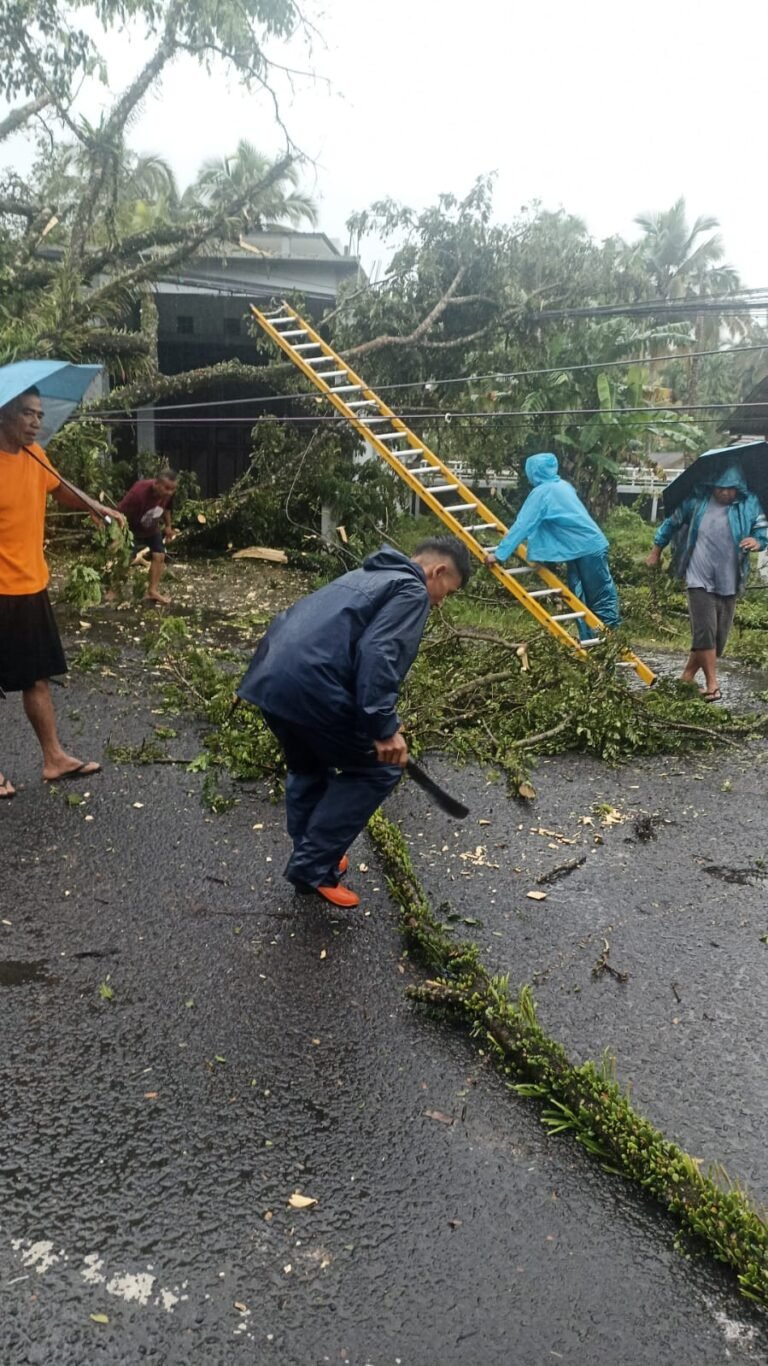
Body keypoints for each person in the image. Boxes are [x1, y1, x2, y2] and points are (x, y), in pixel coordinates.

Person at [237, 536, 471, 908]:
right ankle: (314, 865)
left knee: (308, 765)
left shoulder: (365, 574)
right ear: (438, 571)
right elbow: (380, 653)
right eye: (448, 591)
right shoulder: (411, 589)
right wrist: (382, 727)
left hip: (271, 679)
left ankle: (312, 853)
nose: (442, 600)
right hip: (311, 687)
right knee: (380, 769)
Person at [0, 386, 125, 798]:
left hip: (31, 586)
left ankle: (53, 758)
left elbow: (59, 488)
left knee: (37, 677)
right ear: (5, 415)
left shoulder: (37, 456)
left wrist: (93, 506)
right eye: (27, 413)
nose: (36, 421)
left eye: (39, 414)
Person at [646, 464, 767, 701]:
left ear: (739, 489)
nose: (726, 493)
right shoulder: (696, 502)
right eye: (721, 488)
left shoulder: (749, 503)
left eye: (731, 489)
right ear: (712, 486)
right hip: (698, 576)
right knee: (704, 631)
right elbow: (670, 523)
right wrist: (655, 551)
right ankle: (713, 685)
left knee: (718, 637)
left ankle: (686, 677)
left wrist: (758, 541)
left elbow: (763, 531)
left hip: (730, 578)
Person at [484, 451, 620, 636]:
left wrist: (500, 555)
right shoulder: (563, 486)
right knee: (578, 600)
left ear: (534, 472)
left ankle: (610, 644)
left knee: (598, 600)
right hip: (580, 549)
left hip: (588, 549)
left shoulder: (542, 492)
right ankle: (590, 645)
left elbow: (523, 525)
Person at [118, 468, 178, 605]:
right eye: (167, 488)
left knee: (159, 555)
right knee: (126, 558)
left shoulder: (168, 494)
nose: (169, 492)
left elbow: (167, 508)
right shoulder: (138, 493)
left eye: (173, 489)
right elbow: (120, 513)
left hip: (152, 527)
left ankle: (153, 590)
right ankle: (114, 589)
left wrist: (168, 526)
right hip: (132, 528)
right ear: (156, 484)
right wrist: (120, 535)